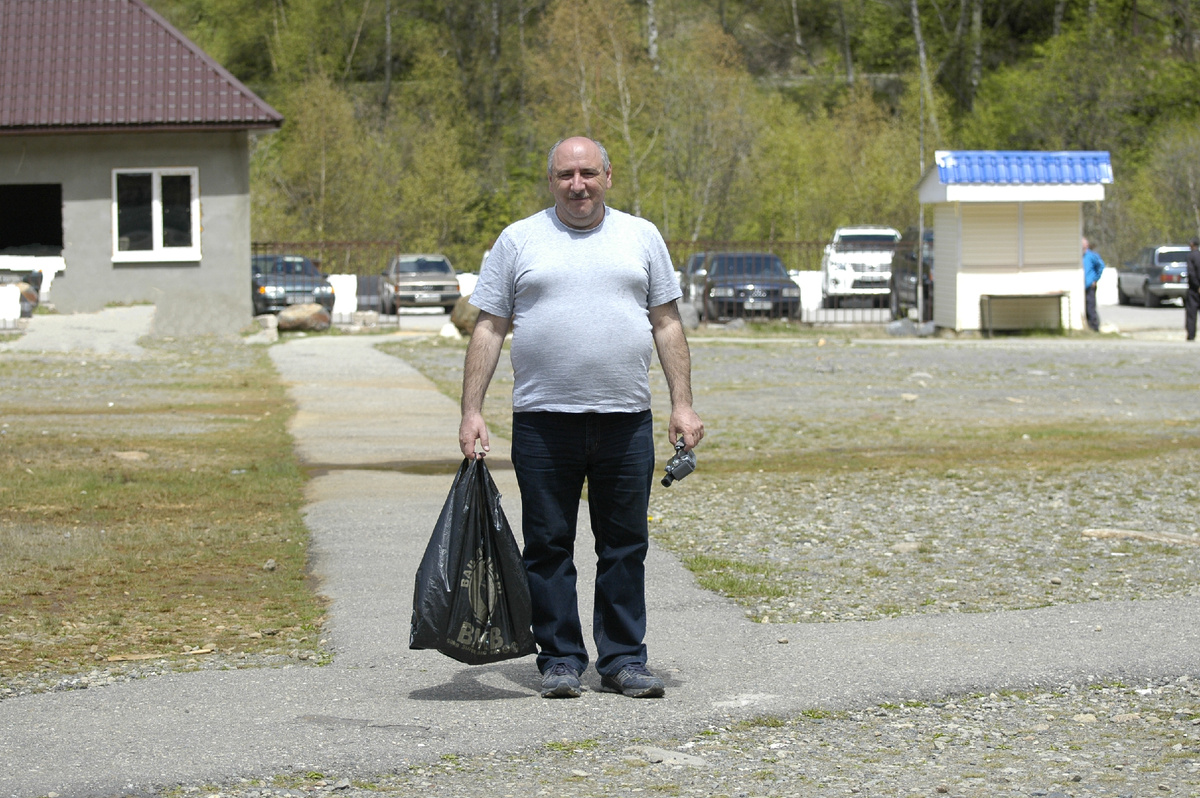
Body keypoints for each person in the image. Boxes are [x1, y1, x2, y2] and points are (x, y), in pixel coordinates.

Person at [458, 136, 704, 700]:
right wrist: (472, 410)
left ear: (608, 177)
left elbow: (666, 322)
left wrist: (681, 402)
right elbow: (490, 327)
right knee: (548, 545)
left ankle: (622, 660)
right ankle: (560, 659)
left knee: (624, 545)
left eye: (588, 173)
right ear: (551, 182)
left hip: (626, 420)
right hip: (544, 423)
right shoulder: (518, 240)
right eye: (566, 174)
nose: (577, 185)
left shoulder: (641, 237)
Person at [1082, 237, 1105, 332]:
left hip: (1090, 285)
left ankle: (1094, 327)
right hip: (1081, 286)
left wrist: (1095, 279)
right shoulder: (1079, 256)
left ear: (1086, 245)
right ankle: (1087, 325)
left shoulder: (1091, 256)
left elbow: (1101, 266)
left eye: (1083, 244)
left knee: (1090, 306)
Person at [1186, 238, 1200, 342]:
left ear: (1192, 244)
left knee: (1192, 313)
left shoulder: (1191, 256)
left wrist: (1197, 286)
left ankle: (1191, 335)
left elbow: (1191, 273)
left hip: (1194, 289)